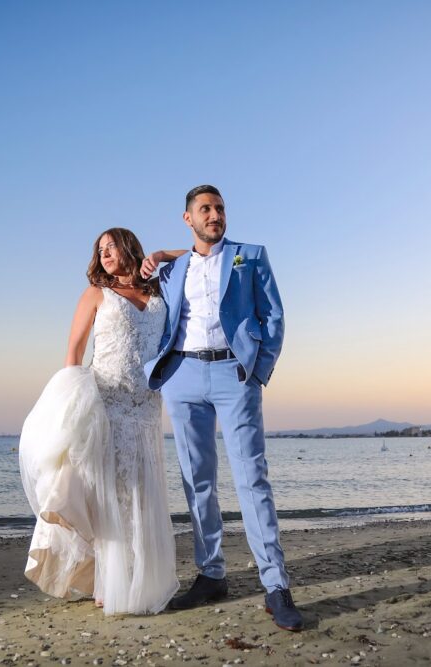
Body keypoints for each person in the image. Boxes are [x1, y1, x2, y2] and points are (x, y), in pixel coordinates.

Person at [141, 185, 303, 631]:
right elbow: (138, 285)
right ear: (188, 218)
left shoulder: (251, 255)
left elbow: (274, 317)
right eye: (205, 209)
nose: (215, 214)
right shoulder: (172, 269)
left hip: (235, 374)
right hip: (182, 376)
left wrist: (258, 369)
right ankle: (211, 574)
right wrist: (161, 253)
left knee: (252, 478)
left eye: (220, 208)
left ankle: (276, 585)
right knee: (197, 482)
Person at [18, 228, 185, 615]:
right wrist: (68, 407)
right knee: (107, 490)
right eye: (100, 249)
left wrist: (158, 255)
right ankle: (107, 583)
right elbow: (73, 353)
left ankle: (139, 578)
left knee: (141, 490)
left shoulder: (159, 290)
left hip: (144, 405)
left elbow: (195, 258)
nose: (106, 253)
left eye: (112, 246)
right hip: (105, 402)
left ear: (129, 247)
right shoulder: (97, 294)